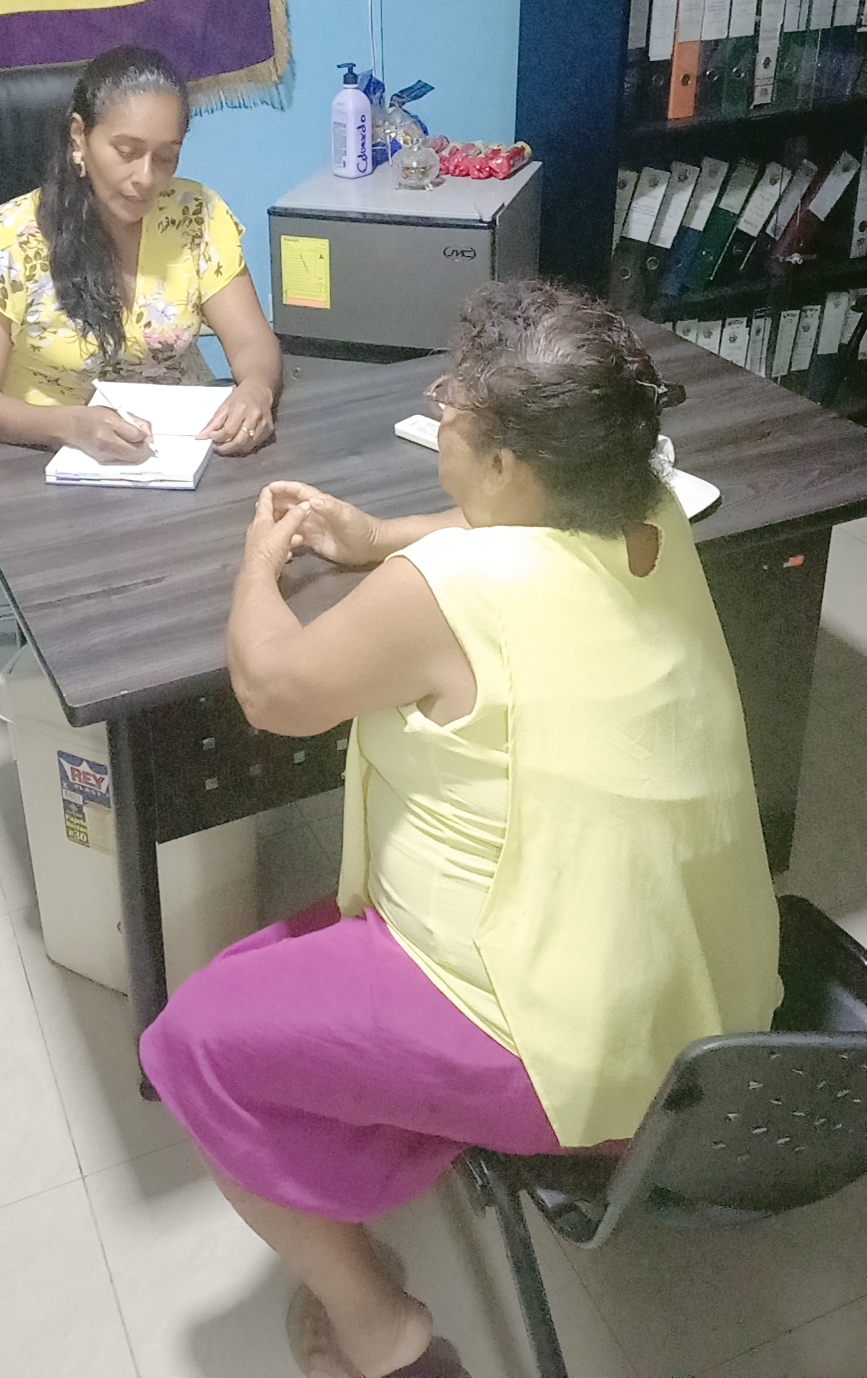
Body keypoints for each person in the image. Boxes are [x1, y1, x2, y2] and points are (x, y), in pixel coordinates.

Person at [139, 279, 782, 1378]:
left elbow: (272, 689)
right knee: (275, 967)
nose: (439, 407)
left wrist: (259, 563)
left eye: (455, 408)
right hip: (708, 1004)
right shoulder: (651, 512)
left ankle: (380, 1330)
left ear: (508, 467)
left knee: (193, 1039)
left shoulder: (445, 589)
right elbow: (518, 536)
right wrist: (374, 534)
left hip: (567, 1050)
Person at [0, 45, 281, 461]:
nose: (146, 177)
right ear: (79, 136)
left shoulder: (195, 215)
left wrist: (256, 389)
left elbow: (250, 339)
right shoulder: (5, 241)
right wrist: (70, 426)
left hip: (182, 449)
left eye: (166, 157)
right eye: (126, 152)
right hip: (44, 458)